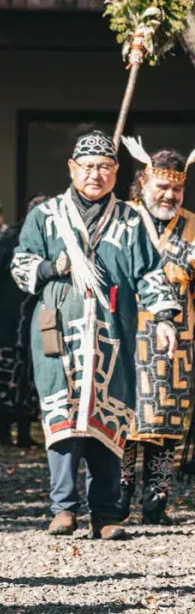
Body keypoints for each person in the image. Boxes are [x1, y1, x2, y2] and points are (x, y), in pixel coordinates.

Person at [11, 130, 179, 540]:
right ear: (72, 169)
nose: (95, 174)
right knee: (61, 416)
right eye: (87, 166)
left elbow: (149, 272)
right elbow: (20, 265)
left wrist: (164, 316)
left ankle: (106, 515)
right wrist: (53, 267)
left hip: (111, 333)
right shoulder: (47, 216)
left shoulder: (130, 219)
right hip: (58, 329)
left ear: (117, 172)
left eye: (104, 166)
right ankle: (63, 509)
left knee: (110, 418)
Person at [119, 140, 195, 525]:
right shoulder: (122, 220)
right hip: (127, 337)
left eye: (176, 189)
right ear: (143, 183)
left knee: (166, 428)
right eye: (162, 187)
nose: (169, 195)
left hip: (176, 345)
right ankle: (116, 500)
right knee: (125, 425)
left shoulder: (193, 226)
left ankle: (155, 502)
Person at [0, 193, 48, 448]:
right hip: (4, 321)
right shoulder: (10, 239)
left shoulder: (53, 241)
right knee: (1, 376)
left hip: (34, 320)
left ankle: (25, 432)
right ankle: (0, 430)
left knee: (29, 377)